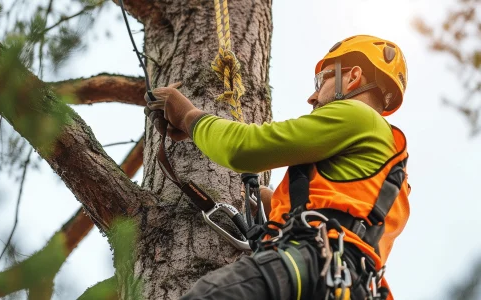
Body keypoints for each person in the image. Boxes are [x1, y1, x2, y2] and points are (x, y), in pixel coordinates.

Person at [145, 35, 410, 300]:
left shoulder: (357, 116)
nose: (313, 96)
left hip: (314, 264)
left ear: (352, 77)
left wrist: (189, 117)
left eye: (322, 80)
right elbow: (346, 212)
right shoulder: (393, 169)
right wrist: (277, 205)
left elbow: (244, 148)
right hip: (350, 285)